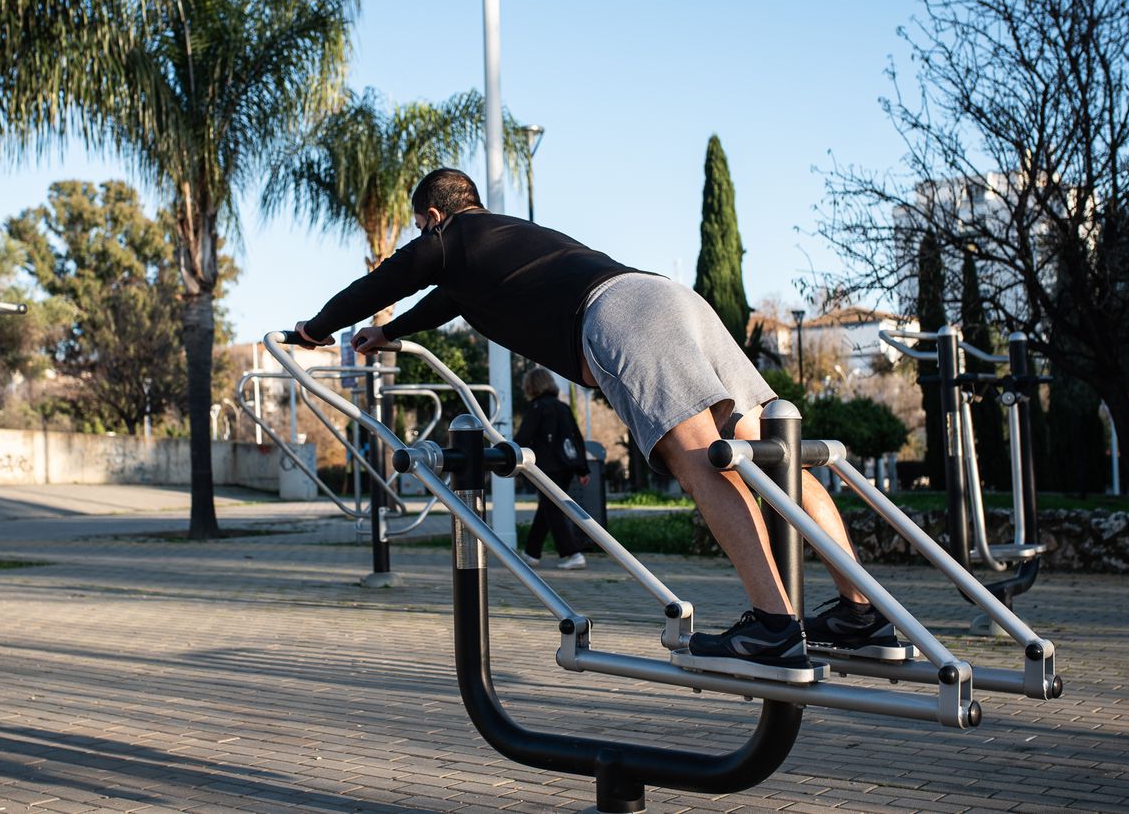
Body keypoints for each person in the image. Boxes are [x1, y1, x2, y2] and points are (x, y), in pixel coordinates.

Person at [295, 168, 903, 684]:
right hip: (672, 301)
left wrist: (314, 330)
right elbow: (446, 301)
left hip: (621, 317)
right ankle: (862, 614)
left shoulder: (452, 236)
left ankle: (774, 625)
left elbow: (384, 282)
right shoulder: (504, 241)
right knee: (774, 452)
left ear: (433, 215)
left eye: (422, 230)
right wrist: (393, 331)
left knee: (698, 459)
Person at [513, 366, 591, 571]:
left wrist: (510, 456)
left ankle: (573, 554)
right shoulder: (563, 407)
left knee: (552, 510)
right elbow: (577, 438)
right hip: (567, 466)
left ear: (531, 387)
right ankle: (531, 553)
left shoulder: (537, 408)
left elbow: (522, 438)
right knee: (547, 508)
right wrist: (583, 469)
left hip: (546, 467)